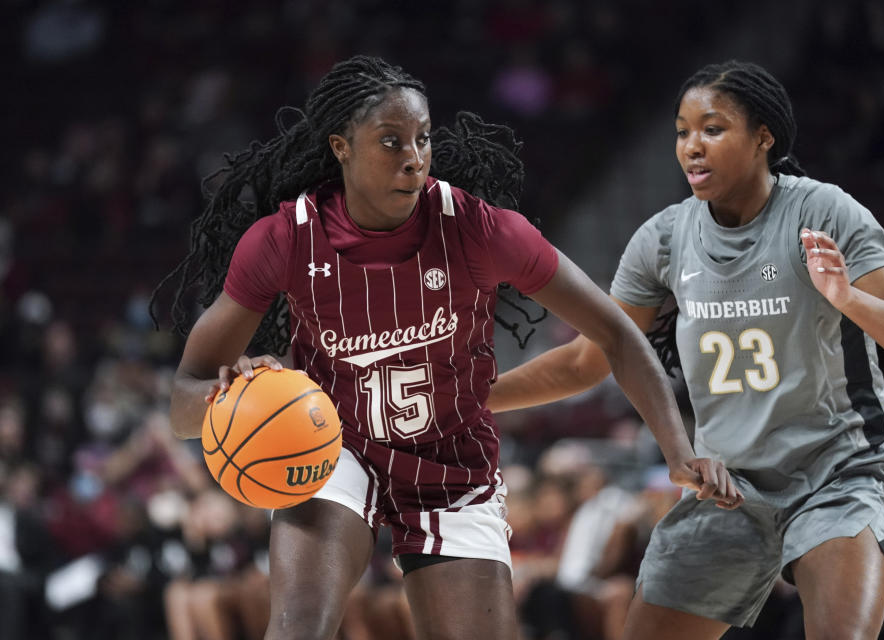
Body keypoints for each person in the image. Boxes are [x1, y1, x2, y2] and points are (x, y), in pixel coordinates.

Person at [152, 55, 742, 640]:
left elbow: (615, 331)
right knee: (298, 628)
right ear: (341, 147)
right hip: (333, 447)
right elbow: (183, 401)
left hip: (451, 458)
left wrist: (677, 450)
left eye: (423, 139)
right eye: (391, 141)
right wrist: (227, 400)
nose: (413, 158)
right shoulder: (285, 238)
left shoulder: (479, 228)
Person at [487, 60, 884, 640]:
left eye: (713, 129)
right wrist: (477, 396)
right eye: (682, 131)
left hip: (836, 475)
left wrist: (847, 296)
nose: (692, 147)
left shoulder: (823, 211)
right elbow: (587, 359)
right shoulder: (665, 239)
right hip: (727, 486)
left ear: (763, 137)